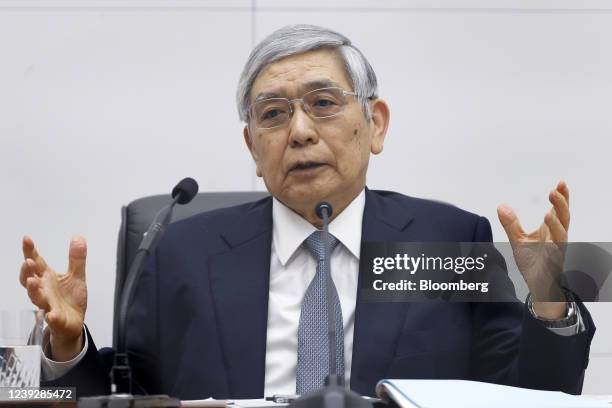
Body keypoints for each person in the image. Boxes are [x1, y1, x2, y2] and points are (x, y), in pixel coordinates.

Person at [19, 25, 594, 399]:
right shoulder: (181, 254)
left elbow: (527, 397)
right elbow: (126, 394)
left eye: (322, 104)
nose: (298, 131)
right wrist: (67, 347)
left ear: (377, 125)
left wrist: (547, 301)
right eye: (273, 114)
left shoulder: (449, 242)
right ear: (252, 146)